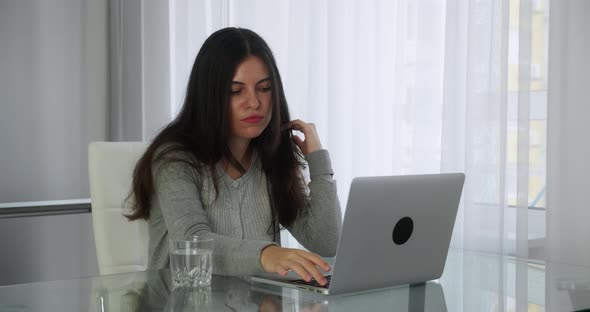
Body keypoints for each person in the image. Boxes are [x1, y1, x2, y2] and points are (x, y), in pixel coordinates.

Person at [126, 27, 342, 286]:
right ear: (210, 96)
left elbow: (327, 242)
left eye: (264, 88)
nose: (254, 103)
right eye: (235, 91)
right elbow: (193, 241)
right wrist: (267, 254)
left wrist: (318, 162)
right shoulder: (175, 160)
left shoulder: (270, 159)